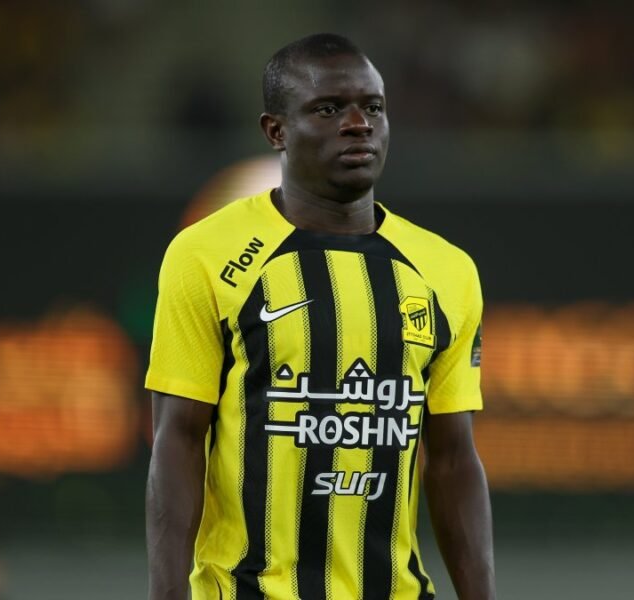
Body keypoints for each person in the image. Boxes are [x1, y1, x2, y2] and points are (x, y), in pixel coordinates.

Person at [145, 33, 495, 600]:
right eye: (329, 109)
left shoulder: (446, 270)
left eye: (373, 107)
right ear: (275, 131)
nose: (358, 124)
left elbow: (454, 459)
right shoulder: (205, 254)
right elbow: (177, 440)